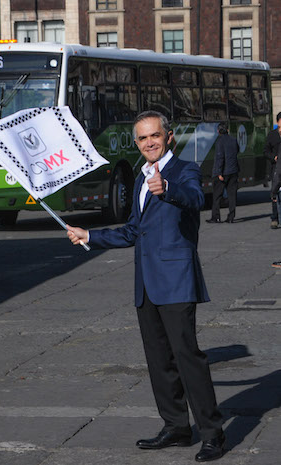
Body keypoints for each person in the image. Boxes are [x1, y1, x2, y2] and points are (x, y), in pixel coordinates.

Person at [66, 111, 225, 462]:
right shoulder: (139, 179)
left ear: (168, 137)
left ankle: (213, 433)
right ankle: (176, 427)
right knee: (158, 360)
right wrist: (89, 235)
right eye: (142, 138)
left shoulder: (184, 171)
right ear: (136, 143)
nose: (149, 142)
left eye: (155, 136)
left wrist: (167, 188)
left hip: (177, 281)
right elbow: (132, 231)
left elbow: (195, 199)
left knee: (188, 357)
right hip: (147, 284)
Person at [206, 123, 239, 223]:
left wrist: (219, 173)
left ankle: (216, 217)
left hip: (223, 172)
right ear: (227, 130)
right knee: (232, 195)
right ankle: (231, 216)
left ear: (218, 131)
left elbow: (220, 157)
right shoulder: (233, 140)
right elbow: (237, 151)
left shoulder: (219, 141)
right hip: (233, 171)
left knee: (216, 196)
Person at [263, 112, 281, 229]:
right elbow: (265, 151)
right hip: (276, 169)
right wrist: (273, 157)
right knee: (274, 193)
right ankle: (275, 218)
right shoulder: (272, 135)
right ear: (278, 122)